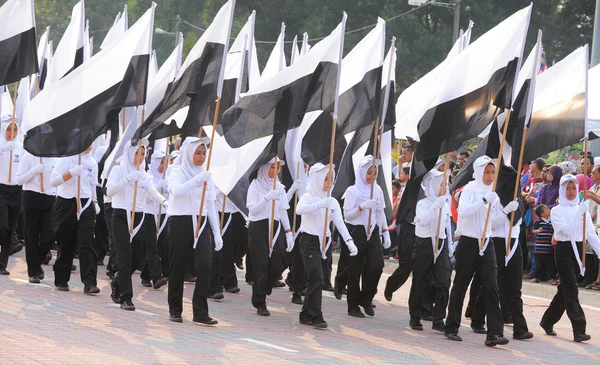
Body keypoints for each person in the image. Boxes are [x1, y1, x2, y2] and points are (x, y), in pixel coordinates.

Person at [444, 156, 509, 347]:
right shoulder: (469, 190)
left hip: (486, 243)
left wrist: (504, 212)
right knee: (461, 285)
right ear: (479, 171)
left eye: (492, 172)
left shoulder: (493, 193)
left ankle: (495, 333)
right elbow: (463, 213)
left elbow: (494, 224)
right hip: (469, 242)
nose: (490, 176)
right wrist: (483, 200)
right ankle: (452, 327)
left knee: (491, 286)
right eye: (487, 172)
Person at [166, 137, 223, 325]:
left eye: (204, 153)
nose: (201, 157)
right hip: (180, 222)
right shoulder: (177, 170)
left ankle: (200, 311)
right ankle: (175, 309)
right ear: (189, 153)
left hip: (201, 222)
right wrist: (198, 180)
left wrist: (216, 231)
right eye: (198, 153)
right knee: (178, 267)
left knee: (205, 266)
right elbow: (176, 191)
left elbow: (211, 204)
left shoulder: (206, 174)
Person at [106, 141, 168, 310]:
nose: (140, 158)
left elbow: (152, 191)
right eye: (136, 154)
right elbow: (109, 191)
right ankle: (126, 297)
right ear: (129, 153)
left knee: (137, 258)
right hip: (120, 215)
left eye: (143, 154)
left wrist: (165, 202)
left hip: (139, 218)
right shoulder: (118, 170)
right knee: (124, 256)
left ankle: (118, 279)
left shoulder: (145, 175)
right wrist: (127, 179)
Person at [296, 163, 358, 328]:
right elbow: (299, 210)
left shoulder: (332, 201)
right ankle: (317, 315)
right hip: (309, 241)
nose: (328, 183)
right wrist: (319, 205)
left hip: (325, 242)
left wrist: (350, 242)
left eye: (331, 179)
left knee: (317, 279)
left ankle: (305, 313)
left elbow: (340, 223)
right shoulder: (308, 197)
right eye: (325, 179)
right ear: (316, 179)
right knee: (316, 276)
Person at [540, 174, 600, 342]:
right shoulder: (556, 211)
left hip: (579, 251)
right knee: (571, 289)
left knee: (564, 290)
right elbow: (565, 231)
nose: (571, 192)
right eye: (567, 188)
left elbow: (590, 234)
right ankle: (579, 329)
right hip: (563, 250)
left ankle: (547, 321)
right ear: (561, 189)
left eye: (574, 188)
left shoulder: (582, 209)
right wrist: (579, 212)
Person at [343, 156, 390, 318]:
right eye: (369, 172)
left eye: (374, 173)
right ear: (362, 172)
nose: (371, 176)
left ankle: (366, 298)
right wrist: (361, 207)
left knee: (377, 265)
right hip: (357, 230)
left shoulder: (377, 190)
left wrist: (385, 231)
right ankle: (353, 305)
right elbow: (347, 216)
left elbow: (380, 212)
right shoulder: (352, 191)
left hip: (373, 231)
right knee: (355, 269)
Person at [246, 158, 294, 316]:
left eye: (277, 168)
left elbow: (283, 211)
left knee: (279, 261)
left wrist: (288, 233)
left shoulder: (279, 187)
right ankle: (260, 302)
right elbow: (252, 210)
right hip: (258, 226)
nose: (275, 171)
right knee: (261, 265)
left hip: (275, 226)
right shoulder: (256, 185)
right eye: (272, 167)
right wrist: (267, 198)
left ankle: (265, 286)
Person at [50, 145, 100, 294]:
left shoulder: (93, 163)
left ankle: (89, 282)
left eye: (91, 141)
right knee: (66, 243)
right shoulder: (67, 158)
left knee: (87, 243)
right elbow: (54, 181)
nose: (89, 145)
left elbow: (92, 186)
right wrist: (71, 173)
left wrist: (95, 202)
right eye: (86, 141)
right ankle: (61, 279)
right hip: (67, 202)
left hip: (85, 204)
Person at [407, 169, 452, 332]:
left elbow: (447, 227)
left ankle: (438, 318)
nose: (445, 187)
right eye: (441, 184)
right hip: (424, 244)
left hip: (441, 244)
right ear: (432, 185)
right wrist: (435, 206)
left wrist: (450, 246)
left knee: (444, 281)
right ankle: (415, 316)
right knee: (420, 281)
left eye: (446, 184)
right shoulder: (423, 203)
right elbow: (424, 221)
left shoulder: (445, 204)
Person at [16, 148, 56, 283]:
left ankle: (36, 264)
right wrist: (34, 171)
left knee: (49, 236)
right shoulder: (28, 157)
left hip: (49, 198)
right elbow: (19, 180)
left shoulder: (54, 158)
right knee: (31, 235)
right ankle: (33, 272)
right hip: (31, 196)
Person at [0, 119, 25, 276]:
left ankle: (2, 263)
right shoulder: (2, 146)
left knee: (11, 227)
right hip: (1, 189)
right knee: (3, 226)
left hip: (16, 190)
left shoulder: (20, 149)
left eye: (14, 130)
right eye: (8, 130)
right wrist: (2, 149)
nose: (11, 133)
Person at [532, 204, 556, 284]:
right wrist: (538, 231)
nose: (549, 209)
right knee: (539, 263)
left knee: (550, 263)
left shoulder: (551, 221)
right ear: (542, 214)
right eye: (546, 209)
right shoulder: (539, 221)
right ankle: (537, 277)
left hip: (548, 247)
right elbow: (533, 230)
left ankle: (551, 278)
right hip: (540, 247)